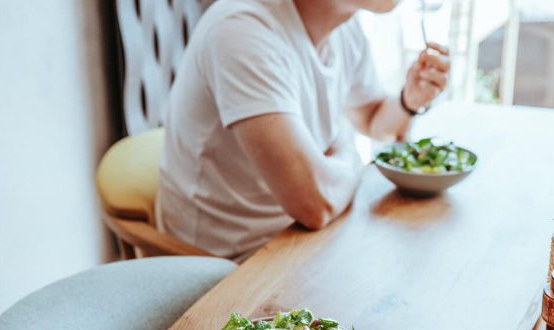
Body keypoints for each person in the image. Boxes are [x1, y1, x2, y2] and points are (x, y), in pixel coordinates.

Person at [156, 0, 450, 262]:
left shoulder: (344, 25)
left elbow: (375, 121)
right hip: (230, 262)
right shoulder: (241, 29)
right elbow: (314, 203)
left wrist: (409, 100)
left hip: (302, 237)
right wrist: (350, 156)